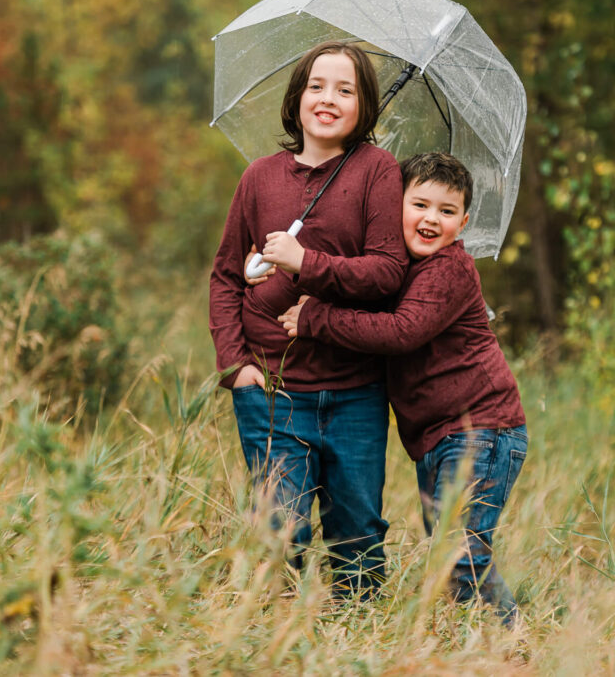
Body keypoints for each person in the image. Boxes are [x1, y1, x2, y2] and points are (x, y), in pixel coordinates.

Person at [278, 152, 527, 623]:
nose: (432, 219)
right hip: (439, 438)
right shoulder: (400, 271)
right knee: (454, 550)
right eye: (420, 205)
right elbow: (367, 294)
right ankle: (481, 642)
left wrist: (317, 317)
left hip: (482, 428)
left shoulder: (449, 268)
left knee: (460, 552)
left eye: (447, 211)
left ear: (464, 223)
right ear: (396, 206)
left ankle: (511, 643)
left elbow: (400, 331)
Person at [209, 40, 409, 598]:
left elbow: (388, 271)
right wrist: (235, 366)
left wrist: (307, 263)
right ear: (297, 98)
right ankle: (279, 641)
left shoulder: (376, 170)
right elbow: (226, 277)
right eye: (317, 86)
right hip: (272, 389)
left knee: (358, 534)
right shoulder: (259, 178)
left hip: (355, 392)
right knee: (281, 531)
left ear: (364, 106)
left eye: (345, 90)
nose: (328, 99)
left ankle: (358, 638)